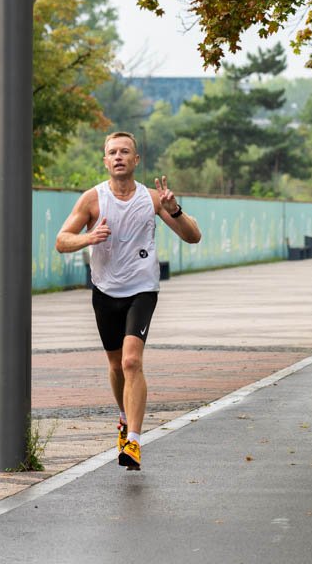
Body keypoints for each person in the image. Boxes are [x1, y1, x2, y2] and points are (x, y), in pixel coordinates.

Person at [55, 132, 202, 470]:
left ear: (136, 161)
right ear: (105, 161)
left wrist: (175, 210)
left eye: (125, 152)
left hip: (142, 289)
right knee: (115, 364)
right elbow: (62, 240)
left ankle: (133, 441)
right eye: (112, 152)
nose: (118, 156)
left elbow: (193, 236)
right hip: (105, 291)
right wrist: (88, 238)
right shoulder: (93, 199)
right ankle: (123, 417)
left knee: (132, 362)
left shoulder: (152, 199)